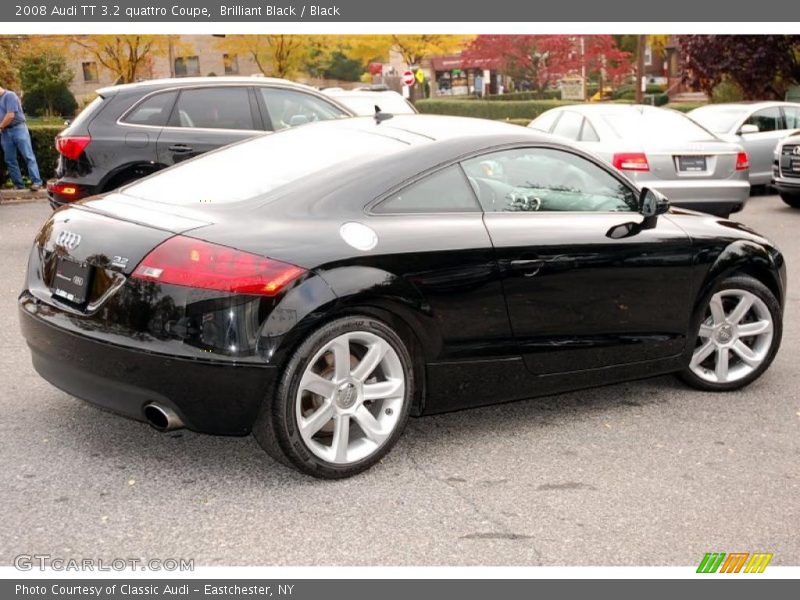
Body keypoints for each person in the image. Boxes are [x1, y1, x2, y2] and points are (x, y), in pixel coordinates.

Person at [0, 85, 43, 192]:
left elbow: (10, 115)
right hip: (5, 132)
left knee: (28, 156)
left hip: (18, 128)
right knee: (10, 160)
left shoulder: (10, 95)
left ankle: (37, 182)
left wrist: (0, 126)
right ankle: (19, 185)